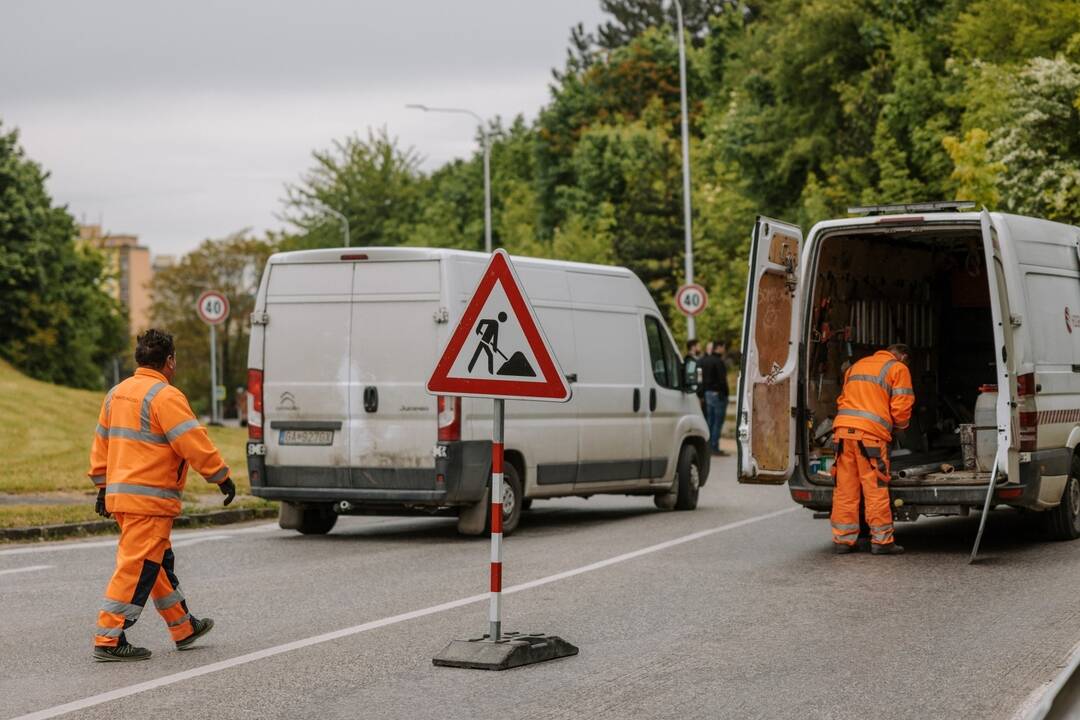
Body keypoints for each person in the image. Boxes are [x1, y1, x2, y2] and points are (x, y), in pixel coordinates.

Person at [88, 329, 236, 661]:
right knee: (138, 567)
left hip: (122, 499)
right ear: (169, 361)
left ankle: (183, 627)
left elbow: (102, 443)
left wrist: (101, 486)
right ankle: (109, 637)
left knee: (156, 564)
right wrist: (221, 476)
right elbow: (192, 441)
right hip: (150, 500)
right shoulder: (165, 396)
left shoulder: (116, 394)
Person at [830, 343, 915, 556]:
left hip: (842, 433)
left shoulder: (857, 366)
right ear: (902, 356)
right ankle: (882, 541)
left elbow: (843, 399)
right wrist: (900, 427)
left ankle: (843, 540)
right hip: (870, 437)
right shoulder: (898, 368)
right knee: (874, 487)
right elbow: (901, 406)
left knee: (845, 488)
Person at [698, 341, 729, 456]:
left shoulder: (704, 361)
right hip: (718, 395)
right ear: (719, 348)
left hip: (707, 394)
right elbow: (722, 380)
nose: (724, 350)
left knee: (709, 421)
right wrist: (725, 394)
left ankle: (708, 447)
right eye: (723, 347)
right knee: (717, 422)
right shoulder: (719, 362)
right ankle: (714, 447)